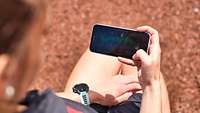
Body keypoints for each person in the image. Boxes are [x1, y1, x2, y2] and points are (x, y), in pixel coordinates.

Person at [0, 0, 170, 113]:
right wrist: (151, 84)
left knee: (109, 54)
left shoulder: (11, 100)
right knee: (152, 76)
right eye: (39, 39)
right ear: (8, 68)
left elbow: (24, 99)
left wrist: (89, 96)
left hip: (82, 105)